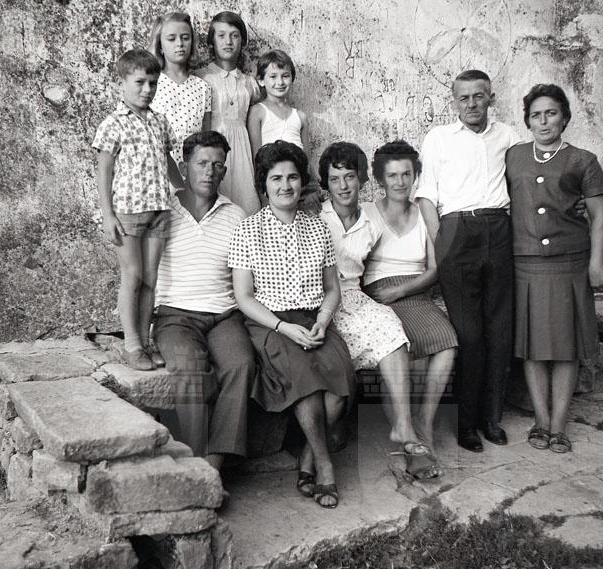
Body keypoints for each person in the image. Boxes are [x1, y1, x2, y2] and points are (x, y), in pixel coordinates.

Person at [229, 141, 356, 508]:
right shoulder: (247, 230)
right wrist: (283, 328)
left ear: (302, 182)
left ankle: (307, 457)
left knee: (340, 385)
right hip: (270, 324)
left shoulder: (317, 229)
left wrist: (323, 321)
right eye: (276, 178)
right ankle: (325, 467)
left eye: (293, 177)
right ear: (263, 185)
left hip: (313, 319)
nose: (286, 185)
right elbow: (244, 297)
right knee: (305, 379)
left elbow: (332, 289)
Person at [318, 141, 440, 480]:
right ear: (325, 184)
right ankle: (335, 428)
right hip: (322, 301)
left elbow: (369, 269)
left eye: (350, 177)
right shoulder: (316, 218)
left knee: (391, 329)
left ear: (362, 179)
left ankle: (404, 428)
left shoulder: (371, 223)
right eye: (334, 179)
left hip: (354, 298)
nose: (343, 186)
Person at [416, 69, 520, 452]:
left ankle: (490, 418)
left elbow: (527, 181)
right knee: (469, 334)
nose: (472, 104)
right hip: (457, 230)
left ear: (490, 97)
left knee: (499, 331)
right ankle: (465, 425)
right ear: (454, 101)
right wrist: (441, 242)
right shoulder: (439, 138)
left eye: (479, 96)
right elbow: (426, 195)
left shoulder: (508, 136)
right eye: (464, 97)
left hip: (499, 229)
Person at [506, 84, 603, 453]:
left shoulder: (583, 160)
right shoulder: (513, 156)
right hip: (525, 263)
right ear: (528, 121)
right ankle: (541, 420)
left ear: (564, 117)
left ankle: (560, 425)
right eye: (536, 115)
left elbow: (598, 216)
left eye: (551, 113)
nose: (543, 121)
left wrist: (596, 263)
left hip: (569, 262)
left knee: (565, 348)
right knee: (532, 347)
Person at [153, 131, 254, 475]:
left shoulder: (236, 215)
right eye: (202, 163)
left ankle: (215, 462)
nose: (210, 172)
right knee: (190, 370)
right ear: (184, 168)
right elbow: (141, 270)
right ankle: (196, 466)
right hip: (175, 316)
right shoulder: (163, 210)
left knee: (241, 364)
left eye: (218, 165)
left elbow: (243, 277)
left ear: (225, 171)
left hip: (224, 316)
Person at [362, 141, 457, 470]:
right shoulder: (368, 212)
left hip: (414, 292)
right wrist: (381, 294)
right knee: (397, 348)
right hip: (377, 294)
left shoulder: (423, 213)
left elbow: (434, 269)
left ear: (415, 175)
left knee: (447, 342)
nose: (400, 182)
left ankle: (424, 425)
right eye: (392, 175)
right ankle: (408, 439)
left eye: (406, 174)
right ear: (380, 179)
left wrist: (401, 290)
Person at [93, 48, 181, 371]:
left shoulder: (159, 121)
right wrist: (108, 215)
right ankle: (131, 345)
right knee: (132, 275)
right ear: (122, 83)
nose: (147, 90)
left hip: (159, 209)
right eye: (140, 82)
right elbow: (104, 171)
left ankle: (145, 341)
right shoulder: (113, 124)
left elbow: (167, 160)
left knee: (150, 278)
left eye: (153, 83)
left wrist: (183, 189)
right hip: (128, 212)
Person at [195, 11, 261, 213]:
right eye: (221, 35)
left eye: (235, 35)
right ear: (212, 41)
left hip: (242, 152)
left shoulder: (249, 83)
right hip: (214, 147)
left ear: (242, 42)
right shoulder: (201, 78)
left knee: (245, 206)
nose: (228, 42)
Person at [247, 49, 321, 211]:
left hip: (299, 188)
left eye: (285, 76)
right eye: (273, 76)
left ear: (292, 78)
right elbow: (256, 160)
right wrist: (264, 199)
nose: (280, 82)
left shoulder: (300, 117)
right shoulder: (258, 112)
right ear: (261, 80)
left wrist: (312, 190)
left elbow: (307, 160)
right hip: (273, 190)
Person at [148, 11, 211, 164]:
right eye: (171, 39)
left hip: (193, 164)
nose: (179, 44)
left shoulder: (203, 87)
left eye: (185, 38)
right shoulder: (151, 83)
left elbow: (207, 136)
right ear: (160, 46)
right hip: (158, 163)